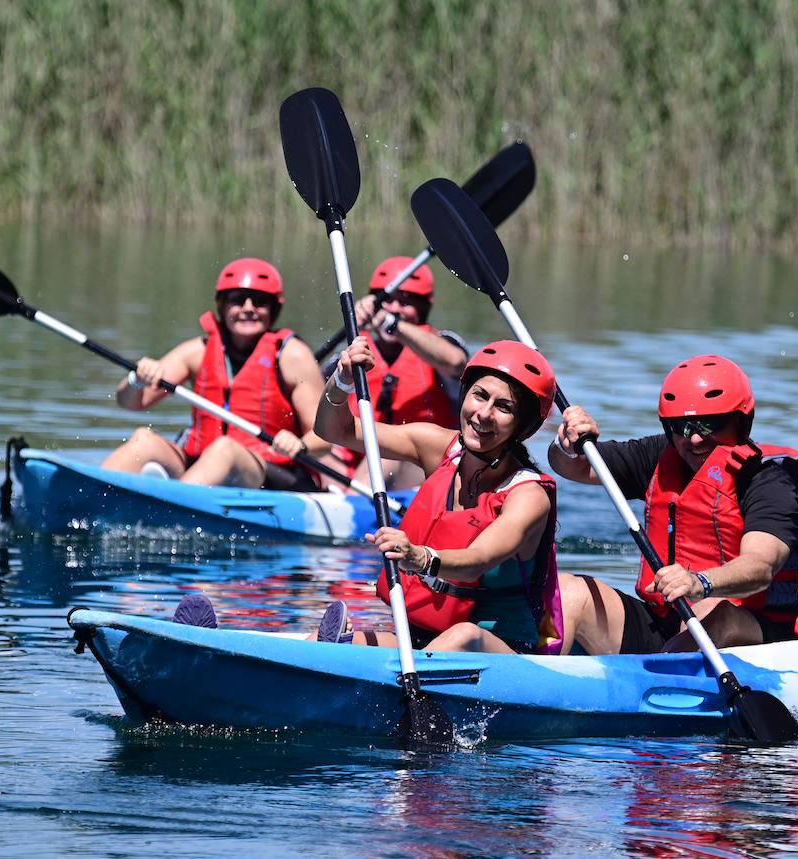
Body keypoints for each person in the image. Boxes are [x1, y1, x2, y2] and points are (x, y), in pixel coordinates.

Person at [549, 355, 798, 655]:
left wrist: (699, 582)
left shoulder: (768, 479)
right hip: (671, 624)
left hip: (755, 634)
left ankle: (664, 679)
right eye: (681, 426)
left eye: (709, 425)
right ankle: (534, 672)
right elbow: (571, 467)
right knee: (568, 591)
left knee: (710, 610)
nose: (693, 438)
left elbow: (760, 566)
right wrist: (567, 444)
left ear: (741, 422)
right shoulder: (660, 455)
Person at [309, 336, 567, 654]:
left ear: (522, 426)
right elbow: (334, 430)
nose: (484, 414)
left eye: (504, 407)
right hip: (423, 642)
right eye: (480, 396)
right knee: (322, 645)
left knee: (462, 635)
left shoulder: (528, 495)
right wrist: (343, 380)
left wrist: (420, 558)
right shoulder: (436, 445)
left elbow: (478, 560)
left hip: (500, 650)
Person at [99, 257, 330, 490]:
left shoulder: (293, 356)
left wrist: (300, 444)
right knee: (143, 439)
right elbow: (130, 403)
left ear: (274, 309)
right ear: (222, 306)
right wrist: (137, 381)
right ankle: (88, 495)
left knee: (224, 450)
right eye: (237, 300)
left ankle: (172, 509)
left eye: (259, 302)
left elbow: (324, 435)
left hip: (273, 472)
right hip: (202, 465)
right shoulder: (197, 352)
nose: (248, 308)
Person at [320, 257, 469, 491]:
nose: (397, 308)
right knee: (318, 449)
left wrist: (391, 322)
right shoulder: (351, 352)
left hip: (420, 467)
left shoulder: (443, 343)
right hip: (355, 467)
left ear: (423, 308)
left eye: (406, 303)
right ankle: (339, 499)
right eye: (387, 301)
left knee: (385, 456)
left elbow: (455, 362)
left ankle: (348, 507)